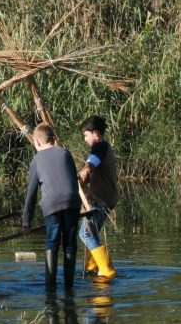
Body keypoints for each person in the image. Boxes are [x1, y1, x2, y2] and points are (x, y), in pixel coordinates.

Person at [21, 123, 81, 292]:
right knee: (70, 244)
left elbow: (31, 194)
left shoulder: (37, 160)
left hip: (52, 204)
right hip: (72, 202)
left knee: (52, 242)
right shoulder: (65, 153)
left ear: (37, 143)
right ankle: (69, 287)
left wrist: (26, 222)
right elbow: (72, 182)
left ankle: (50, 288)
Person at [77, 116, 117, 280]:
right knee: (91, 232)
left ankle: (106, 270)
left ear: (95, 133)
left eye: (86, 135)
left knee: (85, 234)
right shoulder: (103, 148)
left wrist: (77, 176)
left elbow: (88, 169)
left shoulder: (99, 147)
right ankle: (93, 269)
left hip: (100, 199)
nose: (85, 139)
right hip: (107, 197)